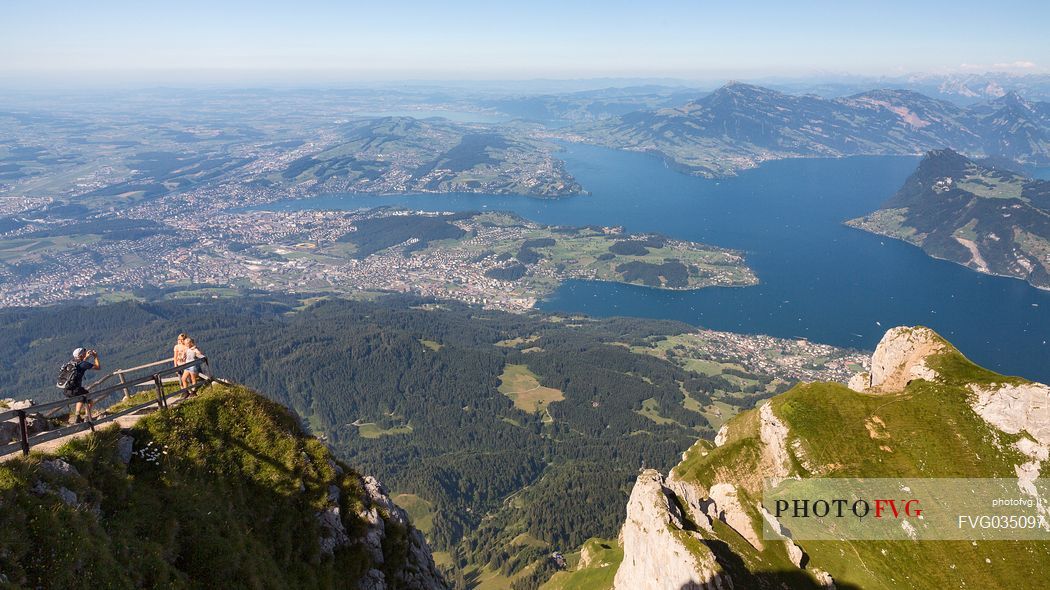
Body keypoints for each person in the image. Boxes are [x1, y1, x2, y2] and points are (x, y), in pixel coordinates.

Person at [63, 348, 100, 424]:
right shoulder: (83, 364)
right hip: (76, 389)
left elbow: (81, 363)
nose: (85, 353)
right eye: (84, 353)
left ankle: (77, 416)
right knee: (89, 400)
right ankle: (87, 417)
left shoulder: (71, 363)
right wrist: (95, 356)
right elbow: (98, 367)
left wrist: (86, 357)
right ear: (81, 355)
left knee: (81, 398)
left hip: (67, 390)